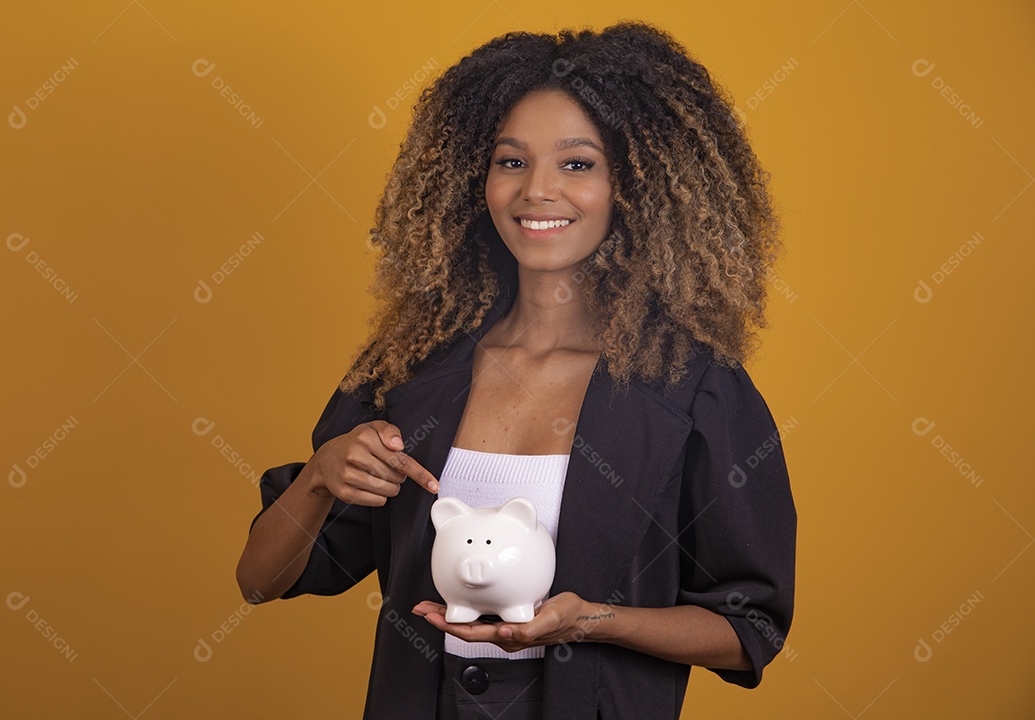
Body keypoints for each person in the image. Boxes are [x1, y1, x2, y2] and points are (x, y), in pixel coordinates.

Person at [236, 19, 796, 720]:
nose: (537, 190)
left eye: (577, 163)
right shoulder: (408, 371)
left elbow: (749, 630)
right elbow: (258, 581)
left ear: (638, 186)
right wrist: (320, 476)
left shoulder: (696, 391)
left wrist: (591, 620)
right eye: (510, 161)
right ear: (476, 178)